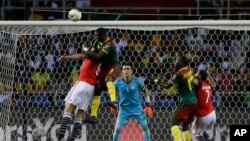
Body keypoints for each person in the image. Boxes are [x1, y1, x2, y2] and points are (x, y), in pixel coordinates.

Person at [55, 49, 101, 141]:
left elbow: (81, 55)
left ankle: (61, 135)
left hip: (82, 83)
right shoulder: (103, 60)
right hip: (92, 89)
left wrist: (66, 57)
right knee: (79, 115)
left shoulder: (91, 55)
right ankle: (73, 139)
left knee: (68, 107)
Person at [82, 27, 121, 125]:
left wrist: (86, 49)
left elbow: (98, 56)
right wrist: (89, 49)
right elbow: (92, 53)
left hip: (114, 66)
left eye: (97, 35)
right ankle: (93, 117)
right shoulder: (97, 41)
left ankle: (114, 101)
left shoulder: (110, 44)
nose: (95, 37)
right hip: (104, 67)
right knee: (98, 88)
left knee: (108, 78)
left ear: (104, 36)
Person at [155, 54, 197, 141]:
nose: (175, 62)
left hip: (186, 101)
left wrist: (157, 81)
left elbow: (166, 86)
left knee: (173, 124)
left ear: (182, 62)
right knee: (185, 125)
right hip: (194, 101)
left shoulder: (179, 74)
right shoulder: (189, 70)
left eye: (177, 60)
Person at [112, 62, 153, 141]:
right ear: (122, 71)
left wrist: (148, 103)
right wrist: (113, 102)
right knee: (117, 129)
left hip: (137, 107)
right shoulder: (117, 82)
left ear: (131, 71)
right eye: (124, 69)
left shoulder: (137, 81)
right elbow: (112, 92)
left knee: (145, 127)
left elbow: (145, 90)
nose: (126, 71)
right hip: (123, 109)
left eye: (128, 69)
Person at [192, 68, 217, 141]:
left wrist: (193, 76)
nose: (196, 74)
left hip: (204, 116)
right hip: (212, 114)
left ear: (199, 76)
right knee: (205, 134)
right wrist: (208, 74)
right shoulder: (208, 84)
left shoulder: (199, 84)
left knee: (196, 135)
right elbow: (214, 85)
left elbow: (193, 82)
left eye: (197, 73)